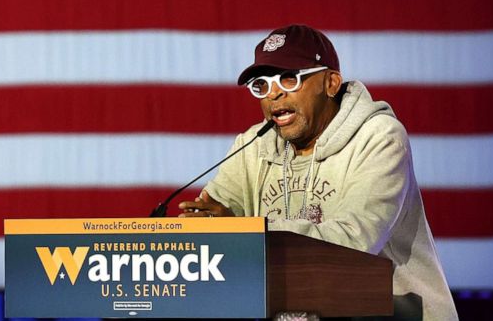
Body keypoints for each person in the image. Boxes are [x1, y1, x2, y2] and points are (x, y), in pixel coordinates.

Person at [179, 24, 457, 320]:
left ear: (331, 83)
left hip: (392, 312)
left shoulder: (379, 137)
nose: (273, 95)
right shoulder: (252, 145)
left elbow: (355, 243)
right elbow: (213, 224)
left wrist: (245, 232)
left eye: (289, 80)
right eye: (262, 84)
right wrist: (205, 228)